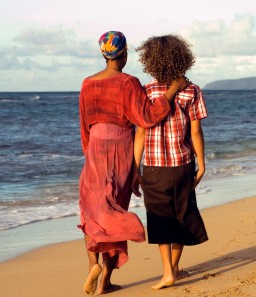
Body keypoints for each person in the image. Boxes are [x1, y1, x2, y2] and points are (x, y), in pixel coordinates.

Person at [78, 31, 187, 295]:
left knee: (92, 210)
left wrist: (90, 153)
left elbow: (84, 125)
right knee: (114, 206)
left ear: (103, 54)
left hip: (95, 147)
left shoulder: (87, 83)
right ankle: (105, 280)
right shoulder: (129, 82)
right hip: (121, 149)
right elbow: (147, 117)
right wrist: (172, 90)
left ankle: (94, 266)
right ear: (124, 54)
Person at [133, 34, 209, 290]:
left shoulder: (146, 91)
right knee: (182, 215)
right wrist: (202, 161)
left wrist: (135, 167)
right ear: (182, 58)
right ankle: (174, 268)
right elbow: (196, 132)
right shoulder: (193, 90)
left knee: (160, 218)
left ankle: (168, 272)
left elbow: (141, 132)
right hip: (183, 163)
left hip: (154, 166)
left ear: (151, 61)